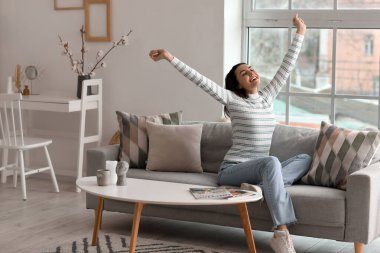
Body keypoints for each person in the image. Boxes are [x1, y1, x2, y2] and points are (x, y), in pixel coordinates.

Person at [149, 14, 310, 253]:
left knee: (304, 158)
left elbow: (286, 68)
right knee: (271, 163)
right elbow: (200, 80)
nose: (251, 72)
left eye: (251, 69)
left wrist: (300, 34)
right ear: (237, 85)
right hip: (232, 170)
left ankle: (265, 185)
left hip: (256, 171)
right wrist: (170, 57)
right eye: (244, 73)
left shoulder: (268, 97)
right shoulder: (232, 100)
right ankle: (281, 232)